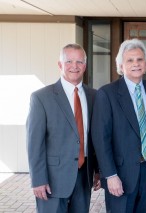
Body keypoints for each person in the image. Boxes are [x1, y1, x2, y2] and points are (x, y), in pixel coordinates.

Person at [26, 43, 101, 213]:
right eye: (69, 61)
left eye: (79, 62)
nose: (74, 66)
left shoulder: (94, 96)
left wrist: (98, 170)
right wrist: (38, 179)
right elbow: (34, 143)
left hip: (84, 177)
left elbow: (95, 138)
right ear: (60, 65)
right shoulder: (41, 97)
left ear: (85, 66)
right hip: (52, 180)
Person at [91, 38, 146, 213]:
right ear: (121, 66)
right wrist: (110, 175)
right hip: (120, 174)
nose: (135, 64)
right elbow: (101, 139)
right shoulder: (107, 94)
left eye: (139, 59)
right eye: (129, 60)